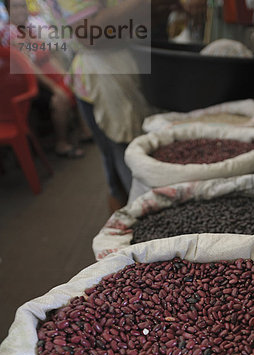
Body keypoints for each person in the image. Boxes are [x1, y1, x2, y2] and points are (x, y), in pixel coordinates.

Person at [41, 0, 207, 213]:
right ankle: (138, 233)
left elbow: (137, 22)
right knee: (130, 174)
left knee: (140, 164)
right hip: (106, 79)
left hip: (130, 72)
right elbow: (90, 33)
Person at [1, 0, 92, 157]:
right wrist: (54, 87)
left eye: (23, 6)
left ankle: (85, 131)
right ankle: (61, 143)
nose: (21, 10)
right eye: (16, 7)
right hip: (28, 84)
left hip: (46, 76)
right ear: (8, 11)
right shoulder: (9, 33)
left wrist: (66, 76)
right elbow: (29, 67)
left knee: (76, 83)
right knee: (59, 98)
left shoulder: (30, 29)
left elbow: (48, 56)